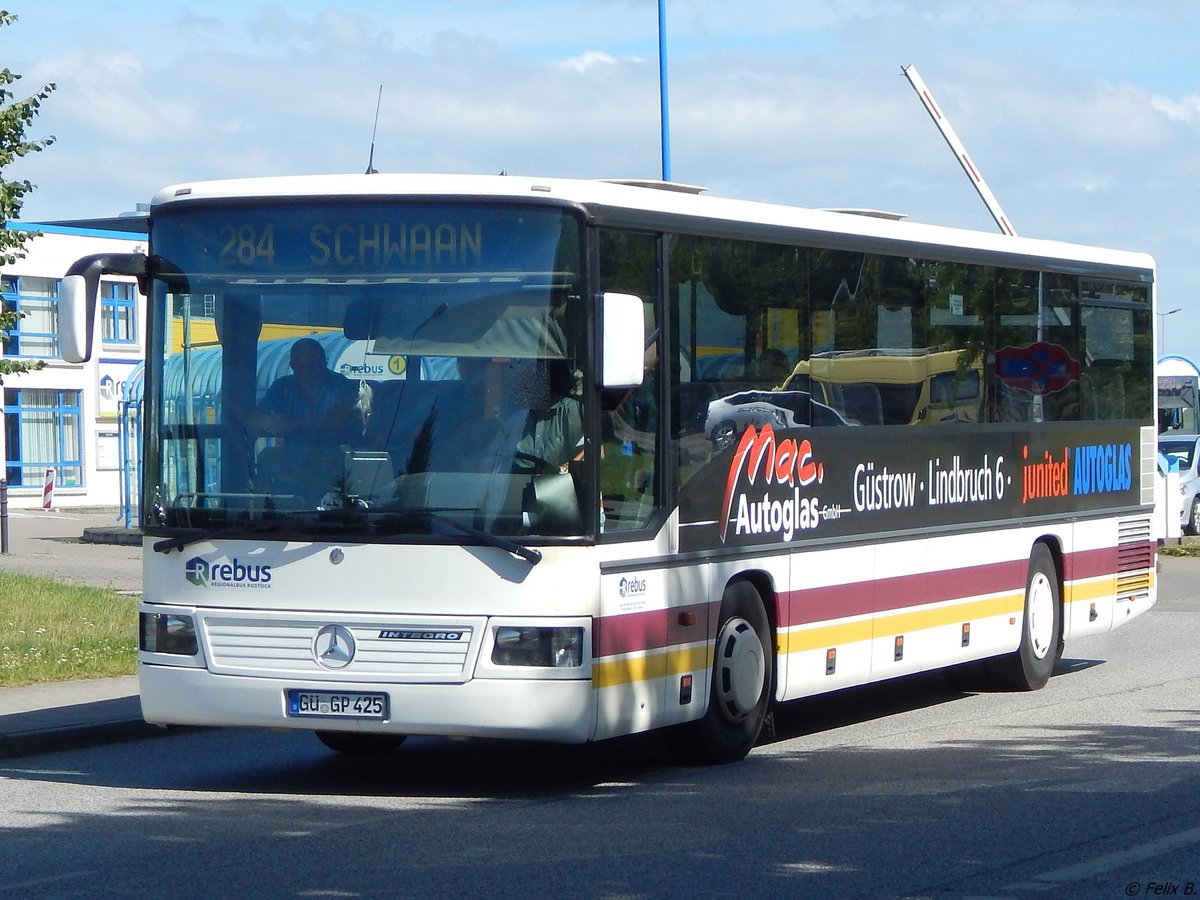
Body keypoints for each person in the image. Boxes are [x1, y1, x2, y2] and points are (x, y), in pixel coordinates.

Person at [256, 337, 365, 446]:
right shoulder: (282, 387)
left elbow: (338, 419)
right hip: (291, 459)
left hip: (334, 457)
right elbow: (260, 414)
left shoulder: (340, 384)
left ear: (325, 362)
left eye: (319, 363)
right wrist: (269, 421)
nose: (316, 369)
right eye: (308, 365)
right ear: (293, 365)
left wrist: (291, 423)